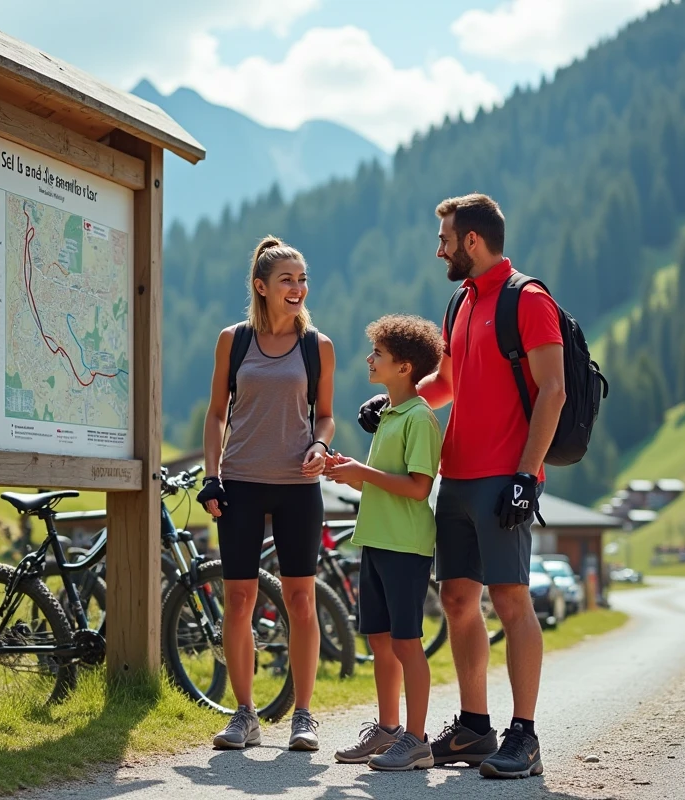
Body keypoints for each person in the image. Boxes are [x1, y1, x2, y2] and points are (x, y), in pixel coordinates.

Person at [358, 193, 565, 779]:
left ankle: (523, 736)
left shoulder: (529, 301)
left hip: (506, 478)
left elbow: (553, 390)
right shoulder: (459, 302)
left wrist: (527, 473)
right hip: (457, 475)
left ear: (471, 240)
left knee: (510, 600)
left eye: (445, 239)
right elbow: (447, 381)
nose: (439, 249)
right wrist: (398, 400)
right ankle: (476, 726)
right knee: (456, 600)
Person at [197, 235, 336, 752]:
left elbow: (325, 414)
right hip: (240, 482)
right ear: (261, 286)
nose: (298, 288)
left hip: (298, 486)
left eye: (302, 279)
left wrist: (321, 444)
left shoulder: (316, 346)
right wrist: (212, 475)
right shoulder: (233, 341)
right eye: (287, 280)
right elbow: (215, 414)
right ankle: (245, 714)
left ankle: (303, 714)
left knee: (301, 600)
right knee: (239, 601)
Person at [326, 315, 443, 771]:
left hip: (406, 546)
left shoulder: (419, 418)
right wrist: (349, 472)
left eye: (379, 354)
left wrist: (363, 473)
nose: (369, 359)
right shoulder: (391, 416)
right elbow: (381, 485)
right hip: (375, 541)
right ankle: (389, 730)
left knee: (407, 641)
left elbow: (417, 487)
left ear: (405, 368)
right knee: (379, 639)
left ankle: (417, 740)